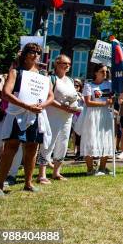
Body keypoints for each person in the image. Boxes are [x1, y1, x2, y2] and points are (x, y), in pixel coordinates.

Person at [0, 43, 54, 195]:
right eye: (32, 51)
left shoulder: (43, 76)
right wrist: (27, 106)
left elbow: (51, 96)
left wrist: (41, 106)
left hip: (36, 115)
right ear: (25, 54)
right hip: (17, 114)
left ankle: (28, 183)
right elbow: (6, 93)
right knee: (10, 148)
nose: (35, 55)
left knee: (32, 148)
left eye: (38, 52)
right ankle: (0, 186)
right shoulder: (15, 72)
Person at [36, 54, 76, 183]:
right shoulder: (50, 79)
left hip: (67, 117)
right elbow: (49, 98)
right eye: (65, 63)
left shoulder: (70, 80)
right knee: (49, 142)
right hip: (53, 115)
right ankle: (42, 174)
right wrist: (64, 107)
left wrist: (73, 106)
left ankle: (56, 172)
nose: (67, 66)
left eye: (69, 64)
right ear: (57, 64)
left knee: (63, 142)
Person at [78, 63, 114, 176]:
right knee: (90, 138)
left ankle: (103, 168)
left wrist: (110, 101)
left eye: (106, 71)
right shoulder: (89, 85)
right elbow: (88, 102)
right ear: (96, 72)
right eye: (102, 71)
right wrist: (104, 103)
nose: (105, 73)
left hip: (105, 114)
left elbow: (112, 99)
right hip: (92, 115)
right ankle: (90, 169)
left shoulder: (109, 84)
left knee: (106, 138)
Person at [71, 79, 84, 160]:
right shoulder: (70, 94)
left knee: (79, 134)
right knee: (72, 134)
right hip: (71, 115)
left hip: (79, 116)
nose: (75, 87)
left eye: (77, 86)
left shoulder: (81, 94)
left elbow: (85, 102)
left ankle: (79, 151)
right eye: (74, 85)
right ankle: (74, 150)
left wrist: (81, 97)